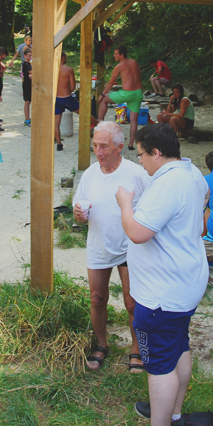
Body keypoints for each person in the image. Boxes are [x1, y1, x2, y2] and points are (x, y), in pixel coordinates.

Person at [116, 123, 208, 426]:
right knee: (178, 346)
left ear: (156, 152)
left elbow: (138, 232)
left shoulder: (169, 186)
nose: (139, 160)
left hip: (162, 294)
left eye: (141, 154)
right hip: (186, 282)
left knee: (159, 365)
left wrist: (125, 204)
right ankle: (175, 412)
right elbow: (206, 193)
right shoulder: (190, 172)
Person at [71, 122, 148, 372]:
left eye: (103, 146)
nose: (98, 151)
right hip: (99, 245)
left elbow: (152, 207)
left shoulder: (136, 173)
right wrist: (79, 215)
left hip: (129, 247)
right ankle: (101, 344)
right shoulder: (90, 174)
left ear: (118, 147)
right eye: (95, 145)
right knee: (96, 298)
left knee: (132, 302)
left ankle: (136, 347)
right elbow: (78, 209)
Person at [98, 45, 144, 148]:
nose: (114, 56)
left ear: (121, 55)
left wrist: (102, 94)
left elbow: (110, 84)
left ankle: (99, 124)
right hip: (138, 93)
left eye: (116, 54)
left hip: (126, 94)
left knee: (104, 100)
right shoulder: (134, 62)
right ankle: (131, 144)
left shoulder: (119, 66)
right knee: (133, 120)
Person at [55, 50, 80, 150]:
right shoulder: (68, 70)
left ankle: (59, 144)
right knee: (84, 113)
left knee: (56, 123)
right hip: (67, 98)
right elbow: (73, 87)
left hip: (56, 99)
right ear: (63, 57)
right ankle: (98, 124)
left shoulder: (52, 69)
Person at [21, 47, 34, 126]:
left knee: (30, 101)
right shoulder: (25, 64)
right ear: (25, 55)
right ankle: (27, 119)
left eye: (31, 56)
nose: (31, 57)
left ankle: (29, 118)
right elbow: (31, 72)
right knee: (27, 101)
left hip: (31, 84)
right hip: (26, 84)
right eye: (29, 56)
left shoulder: (29, 63)